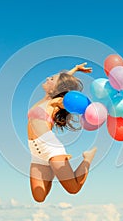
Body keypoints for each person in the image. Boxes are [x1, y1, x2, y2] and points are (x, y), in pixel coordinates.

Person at [27, 63, 97, 202]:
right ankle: (53, 169)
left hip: (50, 147)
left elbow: (73, 98)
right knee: (39, 197)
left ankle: (87, 158)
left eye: (51, 79)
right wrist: (75, 69)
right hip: (36, 152)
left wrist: (96, 111)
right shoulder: (44, 100)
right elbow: (62, 83)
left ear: (57, 88)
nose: (48, 78)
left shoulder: (57, 102)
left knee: (73, 189)